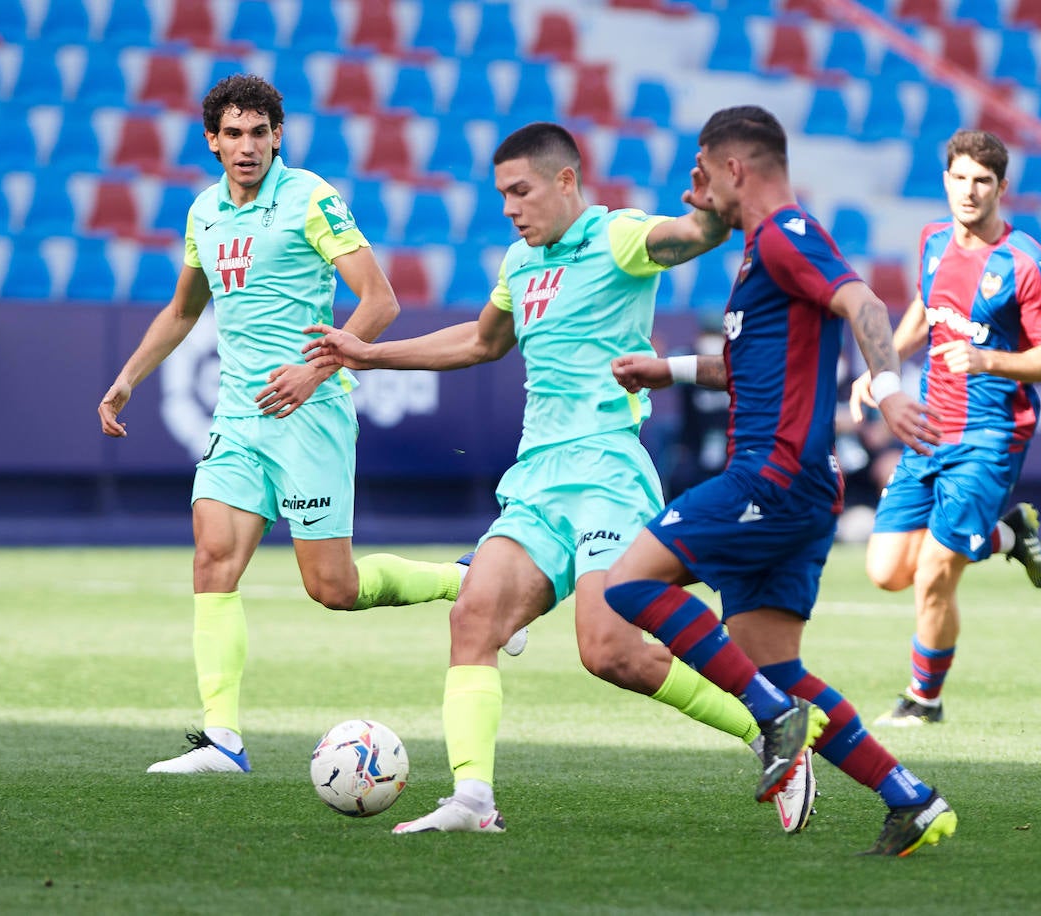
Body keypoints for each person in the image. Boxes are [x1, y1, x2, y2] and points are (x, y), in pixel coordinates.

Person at [303, 121, 807, 835]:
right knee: (473, 615)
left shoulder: (620, 237)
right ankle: (473, 801)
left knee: (608, 653)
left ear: (566, 180)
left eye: (521, 191)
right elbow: (482, 340)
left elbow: (690, 237)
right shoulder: (519, 261)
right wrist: (369, 354)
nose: (510, 208)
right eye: (502, 194)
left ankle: (772, 731)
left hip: (606, 470)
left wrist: (709, 211)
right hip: (537, 479)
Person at [604, 105, 958, 857]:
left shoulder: (786, 235)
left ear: (736, 167)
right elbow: (746, 367)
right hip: (800, 487)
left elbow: (863, 301)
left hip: (771, 476)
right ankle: (912, 800)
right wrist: (662, 370)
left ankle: (768, 716)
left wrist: (889, 388)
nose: (697, 192)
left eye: (703, 173)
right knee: (780, 666)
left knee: (629, 586)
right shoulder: (761, 255)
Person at [97, 74, 469, 774]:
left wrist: (316, 371)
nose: (246, 146)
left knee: (334, 589)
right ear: (211, 140)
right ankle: (222, 741)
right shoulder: (204, 212)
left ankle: (463, 581)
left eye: (258, 132)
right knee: (212, 559)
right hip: (239, 417)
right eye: (232, 134)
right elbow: (182, 310)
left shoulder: (311, 198)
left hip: (310, 415)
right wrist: (126, 381)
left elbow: (380, 303)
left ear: (277, 136)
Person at [849, 129, 1041, 728]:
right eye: (960, 179)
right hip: (927, 428)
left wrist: (988, 359)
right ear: (946, 180)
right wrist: (883, 372)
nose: (969, 191)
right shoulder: (930, 241)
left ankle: (924, 699)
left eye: (983, 182)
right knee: (885, 572)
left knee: (933, 573)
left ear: (1001, 188)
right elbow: (923, 311)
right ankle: (1006, 533)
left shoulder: (1025, 262)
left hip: (991, 435)